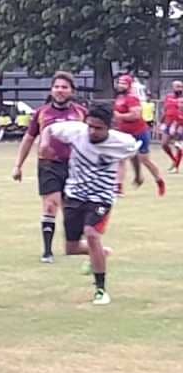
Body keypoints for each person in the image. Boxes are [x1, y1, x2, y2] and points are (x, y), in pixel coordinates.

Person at [40, 104, 140, 305]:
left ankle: (101, 290)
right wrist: (44, 145)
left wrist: (138, 174)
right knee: (71, 248)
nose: (92, 131)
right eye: (90, 126)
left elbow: (134, 152)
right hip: (74, 195)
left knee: (92, 234)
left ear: (108, 128)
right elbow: (48, 129)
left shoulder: (121, 141)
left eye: (98, 128)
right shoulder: (76, 131)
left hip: (101, 197)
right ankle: (101, 253)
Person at [12, 72, 88, 264]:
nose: (60, 90)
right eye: (57, 87)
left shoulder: (81, 112)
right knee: (50, 204)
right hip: (48, 165)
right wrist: (18, 165)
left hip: (74, 166)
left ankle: (76, 244)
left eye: (64, 87)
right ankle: (47, 251)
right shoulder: (42, 113)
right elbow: (28, 139)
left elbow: (92, 138)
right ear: (51, 90)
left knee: (72, 209)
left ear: (72, 90)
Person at [113, 74, 166, 195]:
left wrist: (119, 116)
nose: (120, 85)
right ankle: (118, 187)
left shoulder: (132, 98)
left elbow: (135, 115)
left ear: (129, 85)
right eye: (119, 82)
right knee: (120, 158)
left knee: (145, 160)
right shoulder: (119, 98)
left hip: (139, 132)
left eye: (124, 83)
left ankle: (159, 180)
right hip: (125, 134)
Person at [160, 80, 183, 173]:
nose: (179, 88)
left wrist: (178, 125)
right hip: (168, 123)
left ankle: (176, 167)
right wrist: (161, 122)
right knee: (164, 144)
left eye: (181, 86)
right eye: (177, 86)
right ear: (173, 87)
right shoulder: (168, 97)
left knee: (179, 145)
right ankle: (174, 160)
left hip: (180, 123)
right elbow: (165, 110)